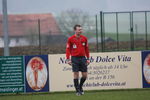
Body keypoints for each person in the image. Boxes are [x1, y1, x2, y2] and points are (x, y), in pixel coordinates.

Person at [66, 24, 90, 96]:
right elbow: (68, 49)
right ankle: (77, 91)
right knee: (76, 74)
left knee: (85, 75)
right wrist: (68, 59)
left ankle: (80, 86)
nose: (80, 31)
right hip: (74, 58)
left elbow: (87, 49)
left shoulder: (84, 38)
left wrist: (88, 58)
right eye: (79, 29)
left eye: (81, 29)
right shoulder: (70, 39)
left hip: (83, 58)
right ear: (75, 30)